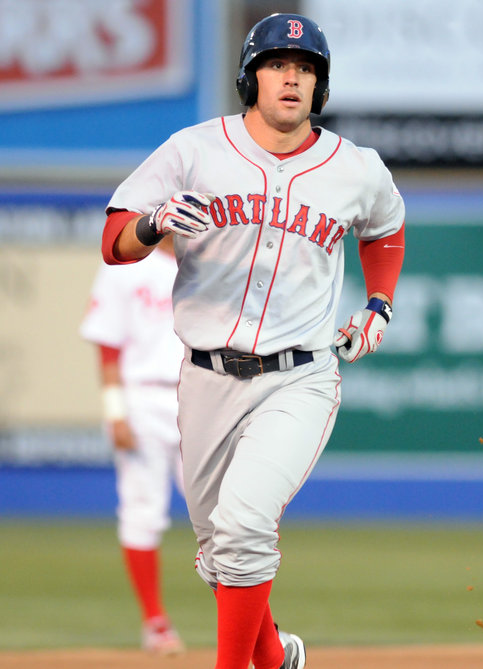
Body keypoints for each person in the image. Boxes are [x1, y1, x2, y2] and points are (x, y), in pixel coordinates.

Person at [98, 12, 405, 669]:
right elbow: (114, 241)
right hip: (206, 377)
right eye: (277, 64)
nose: (291, 78)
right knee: (219, 554)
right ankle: (277, 657)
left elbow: (386, 226)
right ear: (251, 76)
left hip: (299, 375)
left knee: (243, 529)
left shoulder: (354, 167)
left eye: (305, 69)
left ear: (318, 86)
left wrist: (379, 302)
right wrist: (151, 224)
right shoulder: (194, 150)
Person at [80, 234, 186, 655]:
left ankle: (250, 623)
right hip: (142, 395)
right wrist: (114, 410)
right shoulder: (124, 267)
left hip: (201, 393)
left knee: (221, 516)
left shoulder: (211, 261)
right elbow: (107, 347)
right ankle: (155, 622)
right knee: (142, 510)